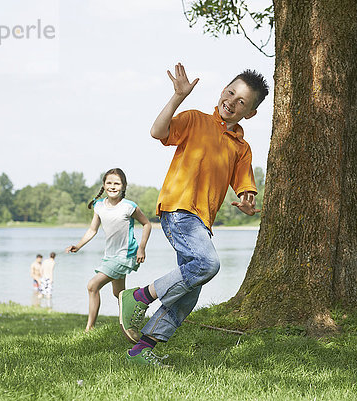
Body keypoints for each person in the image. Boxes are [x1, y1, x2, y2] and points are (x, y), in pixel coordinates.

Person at [118, 63, 268, 366]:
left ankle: (141, 350)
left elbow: (244, 185)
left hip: (203, 221)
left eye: (242, 102)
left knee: (189, 293)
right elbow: (157, 131)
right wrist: (177, 97)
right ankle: (138, 297)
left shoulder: (242, 147)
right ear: (222, 90)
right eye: (231, 92)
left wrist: (247, 199)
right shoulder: (195, 120)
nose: (232, 102)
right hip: (178, 209)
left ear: (249, 113)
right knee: (207, 264)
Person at [66, 168, 151, 332]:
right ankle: (131, 320)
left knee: (92, 286)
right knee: (119, 293)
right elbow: (92, 230)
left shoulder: (129, 207)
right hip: (110, 255)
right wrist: (78, 245)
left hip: (125, 254)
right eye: (109, 183)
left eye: (117, 183)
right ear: (104, 185)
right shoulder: (99, 206)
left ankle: (89, 329)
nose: (113, 186)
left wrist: (142, 248)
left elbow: (147, 224)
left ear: (124, 186)